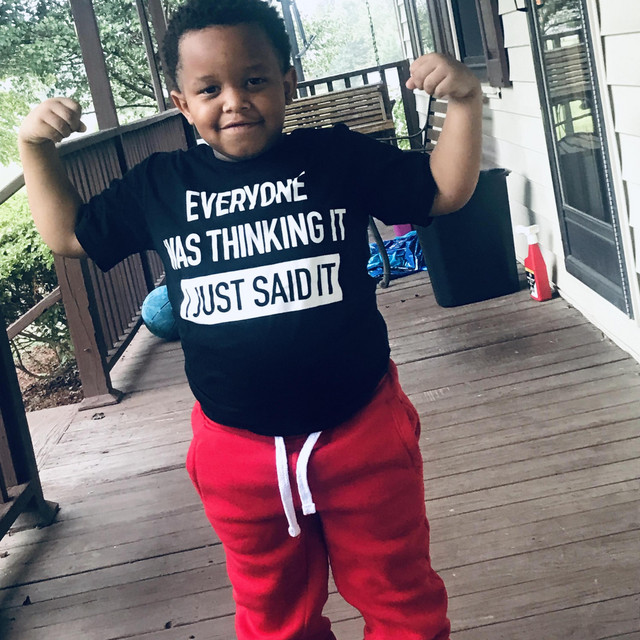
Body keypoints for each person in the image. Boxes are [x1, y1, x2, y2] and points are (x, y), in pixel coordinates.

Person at [18, 0, 482, 637]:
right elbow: (69, 234)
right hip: (237, 454)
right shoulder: (160, 184)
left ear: (287, 82)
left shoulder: (335, 157)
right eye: (209, 89)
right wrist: (34, 147)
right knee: (273, 618)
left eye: (254, 79)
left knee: (401, 600)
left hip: (363, 433)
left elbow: (444, 189)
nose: (234, 100)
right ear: (182, 104)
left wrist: (465, 101)